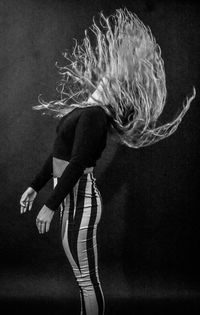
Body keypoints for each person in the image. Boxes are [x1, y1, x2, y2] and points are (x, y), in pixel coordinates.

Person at [19, 8, 196, 315]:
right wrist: (36, 187)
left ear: (116, 88)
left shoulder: (94, 116)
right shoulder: (88, 110)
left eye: (116, 71)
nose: (111, 68)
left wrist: (49, 205)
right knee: (84, 280)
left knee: (87, 281)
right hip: (74, 200)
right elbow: (59, 154)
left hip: (79, 202)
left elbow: (76, 163)